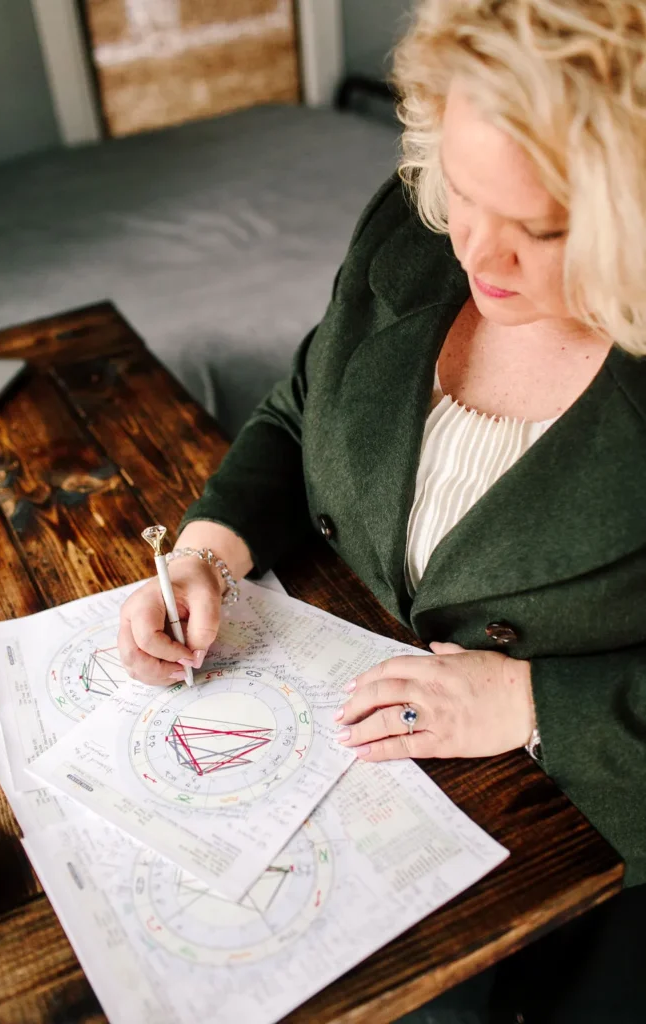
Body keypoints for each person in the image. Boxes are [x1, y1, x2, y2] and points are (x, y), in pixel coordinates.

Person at [118, 1, 646, 1020]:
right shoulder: (415, 228)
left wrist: (537, 706)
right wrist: (211, 550)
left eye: (541, 227)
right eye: (462, 186)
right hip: (348, 795)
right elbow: (306, 404)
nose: (477, 254)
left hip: (590, 841)